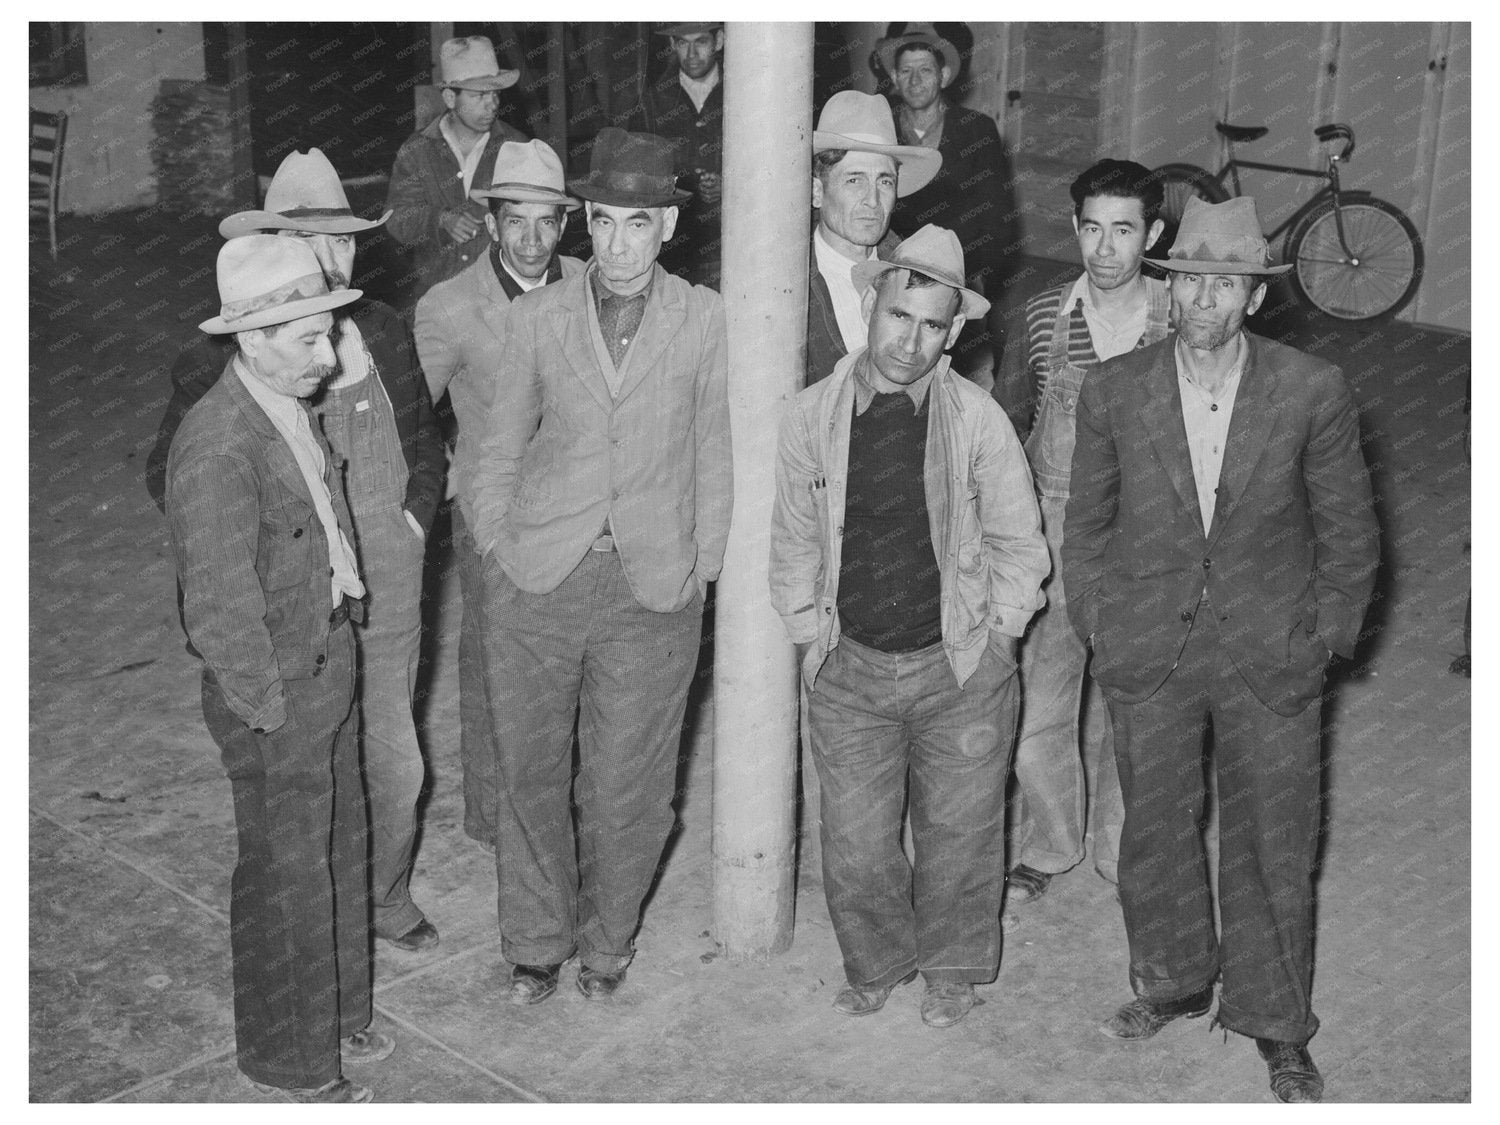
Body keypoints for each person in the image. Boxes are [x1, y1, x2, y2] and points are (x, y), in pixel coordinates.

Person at [1064, 196, 1379, 1103]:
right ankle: (1172, 978)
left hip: (1273, 647)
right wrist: (1099, 618)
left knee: (1275, 838)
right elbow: (1084, 529)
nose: (1205, 299)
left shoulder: (1311, 388)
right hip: (1148, 642)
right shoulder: (1116, 389)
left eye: (1227, 284)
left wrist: (1327, 638)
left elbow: (1350, 531)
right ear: (1169, 287)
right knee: (1155, 830)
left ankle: (1275, 1020)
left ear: (1255, 297)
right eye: (1191, 280)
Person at [148, 148, 446, 955]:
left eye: (347, 244)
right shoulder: (222, 357)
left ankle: (381, 893)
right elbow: (170, 476)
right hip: (294, 606)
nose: (332, 261)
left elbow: (423, 438)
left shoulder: (382, 328)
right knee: (314, 777)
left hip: (385, 574)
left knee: (395, 761)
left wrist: (412, 521)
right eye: (313, 243)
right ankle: (335, 922)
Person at [467, 127, 731, 1005]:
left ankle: (608, 941)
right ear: (586, 221)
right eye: (604, 223)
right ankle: (535, 942)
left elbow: (716, 452)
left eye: (637, 225)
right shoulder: (537, 317)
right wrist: (498, 545)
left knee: (631, 784)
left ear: (668, 226)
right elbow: (495, 450)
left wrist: (703, 565)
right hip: (540, 574)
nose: (618, 244)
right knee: (531, 769)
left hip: (653, 584)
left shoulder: (704, 318)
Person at [769, 225, 1048, 1028]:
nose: (910, 340)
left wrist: (997, 636)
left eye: (932, 325)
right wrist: (804, 632)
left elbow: (1019, 544)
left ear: (953, 331)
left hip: (957, 667)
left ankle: (953, 967)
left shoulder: (979, 420)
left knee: (960, 834)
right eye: (899, 316)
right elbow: (791, 536)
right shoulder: (813, 417)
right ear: (871, 304)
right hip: (849, 666)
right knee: (855, 844)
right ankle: (877, 960)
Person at [165, 237, 390, 1103]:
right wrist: (267, 710)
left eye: (329, 332)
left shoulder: (283, 399)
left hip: (326, 657)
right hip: (276, 691)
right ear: (251, 339)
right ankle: (291, 1060)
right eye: (309, 339)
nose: (329, 355)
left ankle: (338, 1012)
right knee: (284, 873)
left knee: (337, 848)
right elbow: (218, 606)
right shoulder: (217, 446)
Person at [998, 159, 1171, 907]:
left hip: (1145, 540)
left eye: (1123, 230)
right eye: (1092, 228)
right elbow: (1008, 425)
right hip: (1055, 533)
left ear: (1152, 234)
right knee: (1042, 703)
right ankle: (1052, 839)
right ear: (1075, 227)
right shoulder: (1041, 315)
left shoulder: (1177, 317)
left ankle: (1118, 850)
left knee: (1134, 707)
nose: (1104, 248)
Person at [414, 139, 586, 851]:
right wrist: (447, 487)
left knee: (572, 665)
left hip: (580, 513)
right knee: (494, 668)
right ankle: (492, 819)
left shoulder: (592, 282)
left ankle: (562, 808)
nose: (532, 238)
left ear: (566, 225)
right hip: (497, 519)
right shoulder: (450, 307)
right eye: (517, 220)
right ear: (491, 222)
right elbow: (409, 420)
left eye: (546, 221)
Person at [879, 24, 1013, 380]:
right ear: (894, 76)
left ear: (945, 75)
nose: (915, 80)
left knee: (960, 365)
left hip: (960, 264)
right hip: (896, 260)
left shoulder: (976, 129)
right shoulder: (883, 126)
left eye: (925, 70)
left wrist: (982, 276)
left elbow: (996, 213)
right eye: (905, 71)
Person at [808, 90, 940, 385]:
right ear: (817, 192)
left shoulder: (920, 273)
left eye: (884, 181)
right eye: (854, 180)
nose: (872, 199)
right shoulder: (787, 283)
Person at [386, 36, 528, 298]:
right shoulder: (417, 151)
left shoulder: (518, 148)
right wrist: (439, 220)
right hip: (436, 297)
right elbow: (396, 219)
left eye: (495, 93)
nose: (493, 104)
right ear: (451, 98)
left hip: (500, 298)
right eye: (480, 95)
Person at [629, 22, 724, 289]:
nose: (692, 53)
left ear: (719, 41)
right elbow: (636, 180)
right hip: (674, 255)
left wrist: (730, 186)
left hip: (734, 245)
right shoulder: (651, 104)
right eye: (683, 43)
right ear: (672, 45)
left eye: (701, 42)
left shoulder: (747, 95)